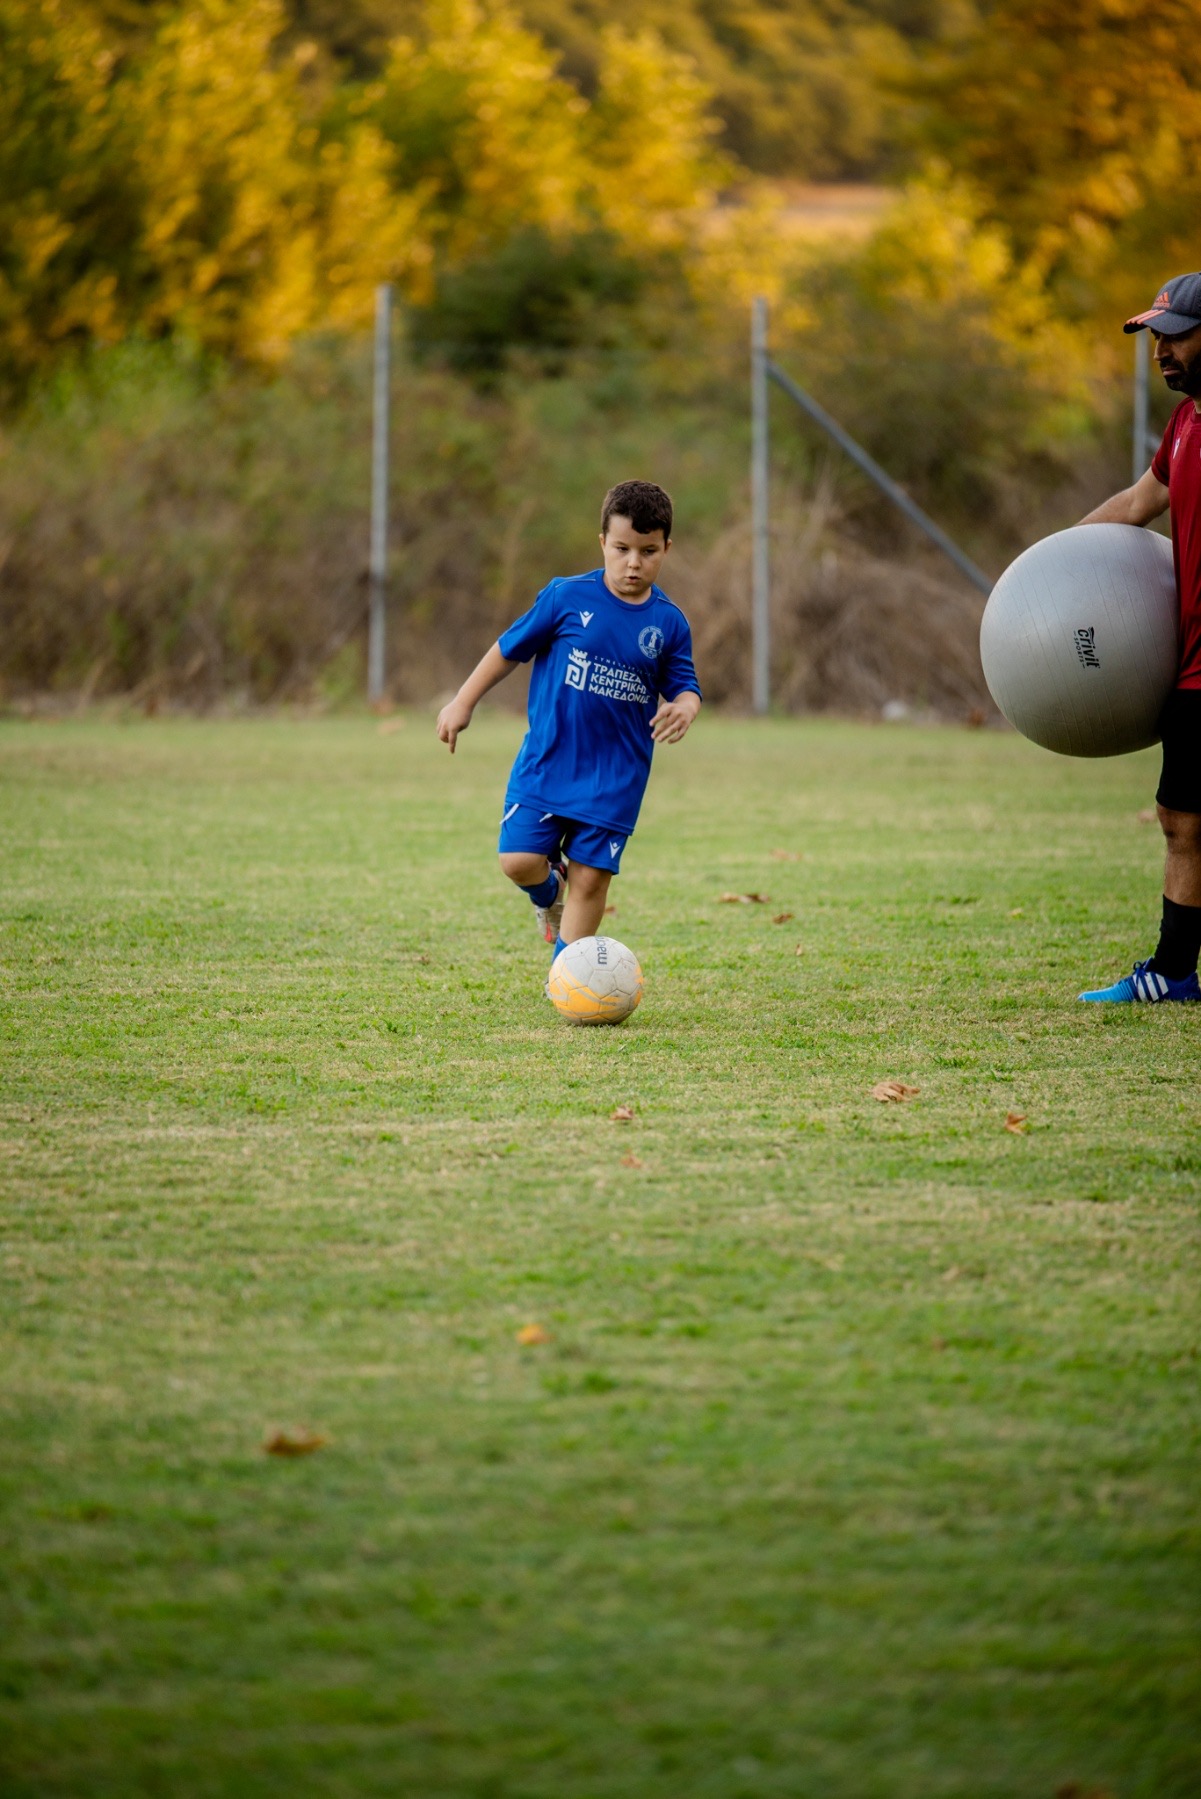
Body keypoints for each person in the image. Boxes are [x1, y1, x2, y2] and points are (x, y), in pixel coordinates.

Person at [435, 479, 702, 961]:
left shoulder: (668, 623)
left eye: (648, 550)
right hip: (549, 759)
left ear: (666, 548)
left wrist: (683, 707)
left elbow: (686, 686)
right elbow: (507, 649)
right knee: (517, 861)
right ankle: (546, 894)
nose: (633, 563)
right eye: (621, 548)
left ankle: (566, 977)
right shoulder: (565, 597)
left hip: (616, 775)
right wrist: (463, 701)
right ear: (602, 542)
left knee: (591, 877)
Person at [1078, 272, 1201, 1003]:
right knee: (1180, 817)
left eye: (1176, 332)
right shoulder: (1184, 425)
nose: (1160, 349)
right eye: (1155, 335)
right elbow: (1136, 502)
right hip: (1190, 669)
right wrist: (1048, 563)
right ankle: (1174, 971)